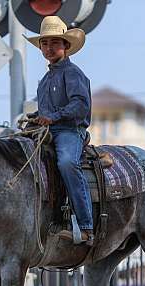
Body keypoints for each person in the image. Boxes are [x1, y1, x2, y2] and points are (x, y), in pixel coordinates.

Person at [25, 16, 94, 246]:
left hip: (69, 131)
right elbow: (46, 112)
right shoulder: (44, 81)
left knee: (66, 163)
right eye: (45, 43)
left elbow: (80, 105)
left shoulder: (73, 74)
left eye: (55, 43)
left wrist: (52, 117)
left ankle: (86, 226)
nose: (49, 48)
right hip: (48, 132)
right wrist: (36, 118)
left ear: (66, 46)